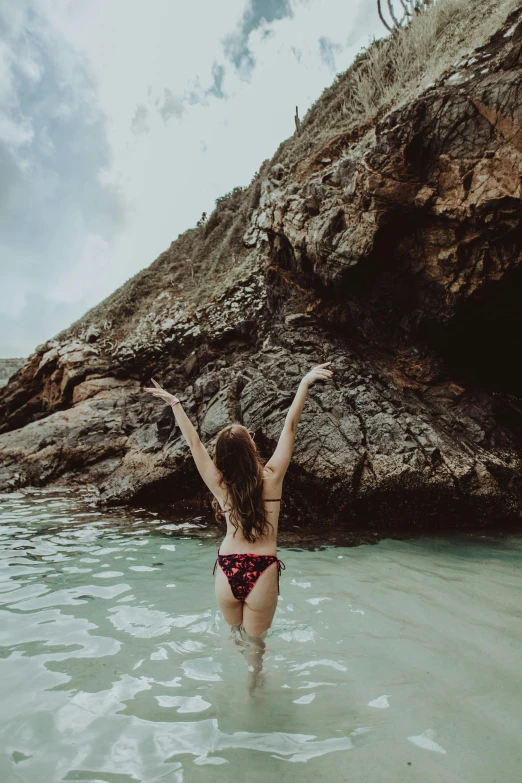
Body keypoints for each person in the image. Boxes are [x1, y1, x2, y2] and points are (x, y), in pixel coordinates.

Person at [143, 361, 334, 640]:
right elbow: (290, 427)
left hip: (228, 567)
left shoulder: (221, 487)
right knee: (256, 653)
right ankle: (252, 684)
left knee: (235, 638)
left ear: (222, 458)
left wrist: (175, 404)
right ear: (251, 448)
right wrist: (304, 383)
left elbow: (194, 444)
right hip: (262, 568)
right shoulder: (272, 479)